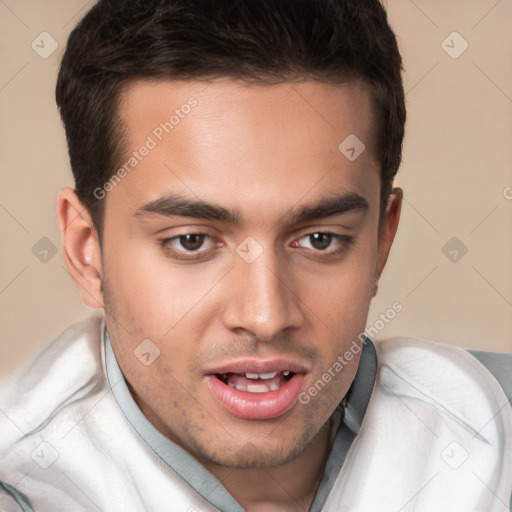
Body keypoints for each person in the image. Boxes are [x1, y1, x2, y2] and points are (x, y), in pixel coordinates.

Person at [1, 0, 511, 510]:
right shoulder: (26, 484)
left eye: (319, 239)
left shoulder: (493, 431)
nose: (266, 317)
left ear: (381, 239)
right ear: (87, 253)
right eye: (192, 241)